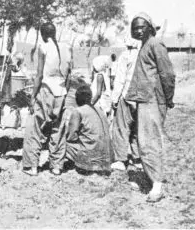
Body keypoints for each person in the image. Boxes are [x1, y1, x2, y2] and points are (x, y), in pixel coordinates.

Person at [125, 12, 175, 202]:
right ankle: (150, 179)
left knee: (151, 141)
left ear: (150, 27)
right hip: (145, 99)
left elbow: (168, 74)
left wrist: (168, 98)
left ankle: (157, 185)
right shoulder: (144, 45)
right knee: (144, 141)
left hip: (154, 100)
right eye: (135, 27)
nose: (138, 30)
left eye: (142, 27)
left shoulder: (155, 44)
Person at [22, 22, 72, 176]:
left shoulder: (43, 47)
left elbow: (39, 75)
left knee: (34, 127)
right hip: (61, 91)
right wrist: (64, 91)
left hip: (46, 89)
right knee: (58, 129)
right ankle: (56, 166)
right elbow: (70, 75)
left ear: (43, 35)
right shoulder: (67, 48)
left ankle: (33, 166)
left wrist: (32, 97)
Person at [63, 85, 112, 172]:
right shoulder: (99, 109)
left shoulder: (78, 111)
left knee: (61, 142)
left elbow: (71, 136)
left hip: (90, 159)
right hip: (106, 159)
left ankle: (83, 164)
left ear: (77, 98)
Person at [110, 36, 142, 171]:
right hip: (141, 97)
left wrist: (114, 99)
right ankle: (137, 158)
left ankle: (121, 160)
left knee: (121, 127)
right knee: (137, 129)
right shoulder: (142, 55)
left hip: (127, 95)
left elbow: (120, 79)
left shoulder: (125, 56)